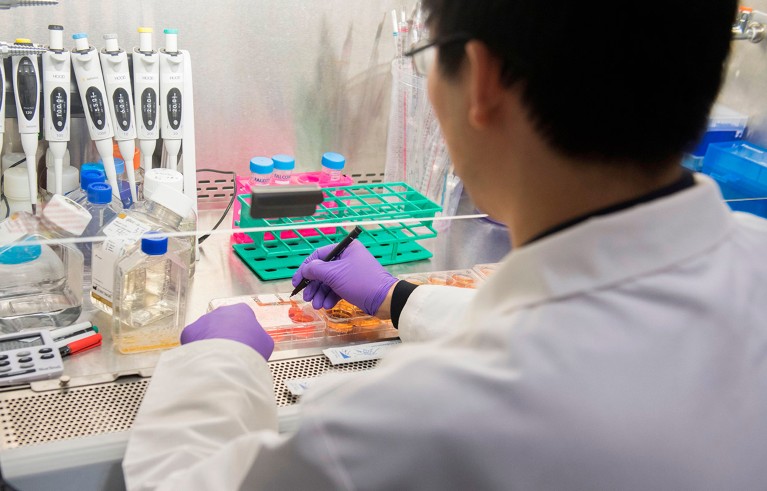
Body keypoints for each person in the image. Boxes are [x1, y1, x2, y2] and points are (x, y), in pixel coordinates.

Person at [123, 0, 767, 489]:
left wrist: (220, 366)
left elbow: (176, 481)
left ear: (482, 79)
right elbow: (596, 331)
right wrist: (398, 297)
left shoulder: (415, 421)